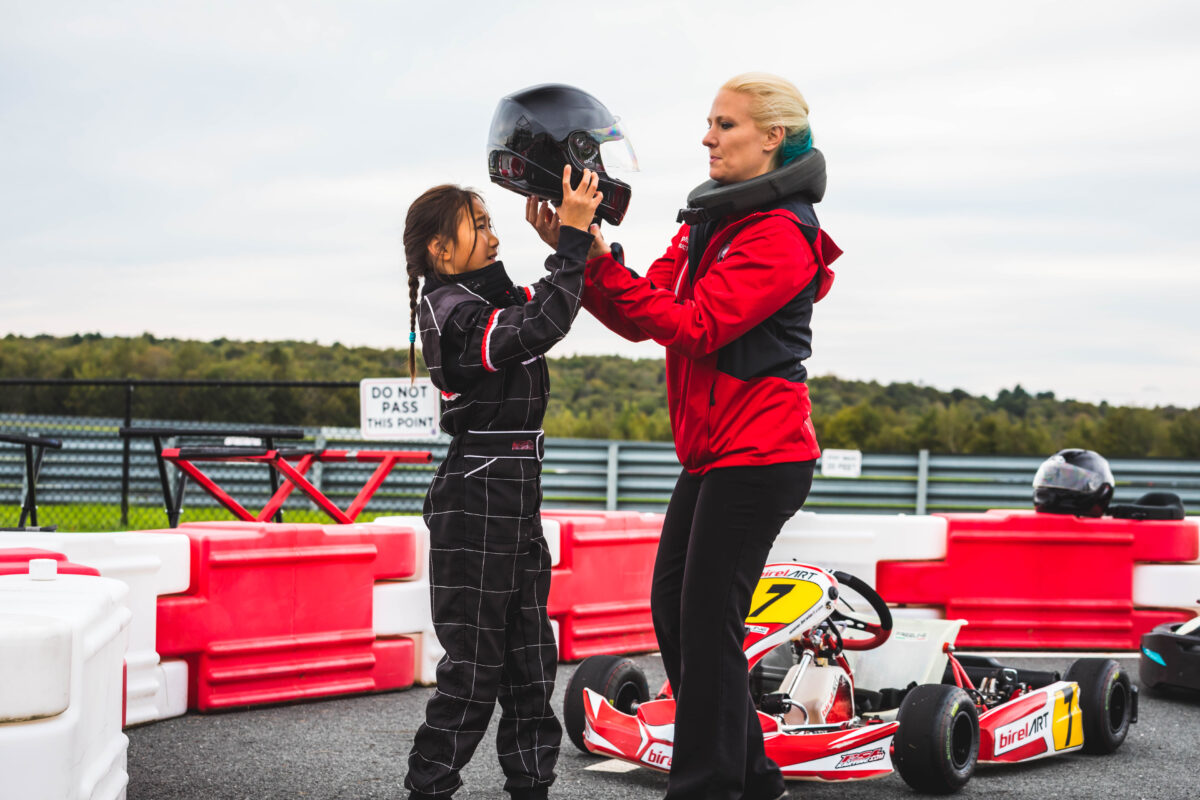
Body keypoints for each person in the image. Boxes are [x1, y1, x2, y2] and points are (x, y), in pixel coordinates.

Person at [528, 73, 842, 800]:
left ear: (772, 138)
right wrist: (593, 255)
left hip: (762, 457)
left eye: (724, 125)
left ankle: (708, 786)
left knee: (705, 623)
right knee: (678, 613)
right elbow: (645, 316)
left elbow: (697, 327)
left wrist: (593, 252)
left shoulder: (780, 234)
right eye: (707, 122)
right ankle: (753, 776)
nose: (706, 137)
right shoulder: (706, 220)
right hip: (714, 456)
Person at [402, 166, 603, 800]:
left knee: (529, 660)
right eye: (479, 226)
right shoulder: (452, 313)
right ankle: (428, 787)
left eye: (491, 224)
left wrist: (571, 239)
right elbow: (543, 324)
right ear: (440, 250)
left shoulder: (482, 297)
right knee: (476, 666)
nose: (493, 235)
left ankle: (531, 787)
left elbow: (543, 299)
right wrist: (568, 241)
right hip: (477, 488)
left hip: (515, 482)